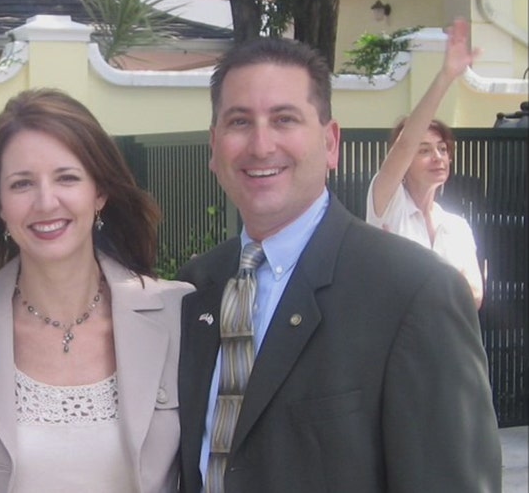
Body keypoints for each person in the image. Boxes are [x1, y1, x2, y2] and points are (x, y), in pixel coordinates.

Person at [177, 37, 501, 492]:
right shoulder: (196, 288)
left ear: (330, 144)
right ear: (214, 147)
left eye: (284, 119)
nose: (261, 144)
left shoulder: (415, 292)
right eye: (239, 122)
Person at [0, 89, 194, 492]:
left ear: (99, 193)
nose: (46, 202)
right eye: (22, 184)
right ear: (0, 205)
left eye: (67, 178)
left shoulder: (179, 316)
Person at [367, 18, 483, 308]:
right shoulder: (387, 205)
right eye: (424, 150)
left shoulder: (457, 226)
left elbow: (476, 296)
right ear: (405, 161)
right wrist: (445, 77)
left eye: (442, 149)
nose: (438, 157)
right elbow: (405, 144)